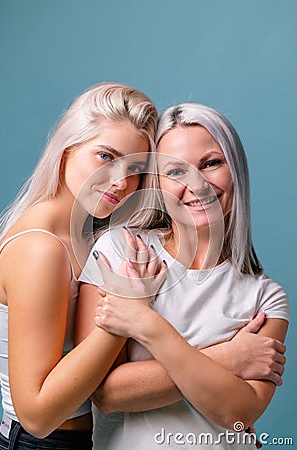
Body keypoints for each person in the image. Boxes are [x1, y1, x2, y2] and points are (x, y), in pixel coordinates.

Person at [78, 102, 289, 449]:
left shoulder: (267, 298)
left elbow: (239, 412)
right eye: (175, 171)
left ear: (235, 171)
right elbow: (106, 392)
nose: (197, 183)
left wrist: (145, 324)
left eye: (211, 164)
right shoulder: (120, 250)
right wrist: (228, 358)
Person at [0, 81, 167, 450]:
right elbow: (38, 416)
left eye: (133, 168)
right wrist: (127, 312)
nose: (121, 182)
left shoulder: (90, 237)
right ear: (67, 148)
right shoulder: (40, 249)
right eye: (106, 156)